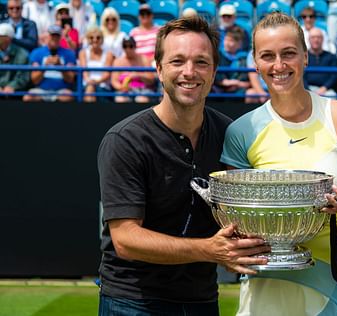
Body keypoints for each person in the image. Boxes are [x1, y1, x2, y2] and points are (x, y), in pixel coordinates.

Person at [97, 16, 269, 316]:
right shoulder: (125, 140)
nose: (189, 72)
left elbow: (244, 209)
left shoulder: (229, 134)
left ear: (214, 72)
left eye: (201, 62)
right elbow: (125, 239)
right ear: (159, 68)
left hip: (201, 301)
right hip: (133, 302)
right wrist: (209, 250)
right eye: (177, 61)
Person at [221, 12, 337, 316]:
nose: (279, 65)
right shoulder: (241, 131)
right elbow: (239, 223)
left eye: (289, 54)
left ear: (306, 57)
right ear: (256, 64)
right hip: (267, 284)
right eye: (267, 56)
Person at [23, 24, 76, 102]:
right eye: (52, 36)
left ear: (60, 37)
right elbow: (34, 80)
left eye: (57, 36)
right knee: (28, 97)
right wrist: (45, 66)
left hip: (61, 90)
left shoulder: (69, 54)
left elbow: (70, 79)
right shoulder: (37, 53)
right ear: (48, 36)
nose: (54, 38)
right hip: (41, 90)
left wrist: (60, 66)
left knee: (68, 97)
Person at [110, 36, 156, 103]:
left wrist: (138, 75)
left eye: (131, 46)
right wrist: (122, 87)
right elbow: (114, 81)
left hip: (143, 90)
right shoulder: (118, 61)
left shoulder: (144, 59)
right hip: (125, 91)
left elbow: (151, 79)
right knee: (120, 99)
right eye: (125, 46)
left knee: (141, 99)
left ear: (135, 46)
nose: (128, 49)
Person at [78, 26, 113, 102]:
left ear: (102, 40)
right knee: (90, 88)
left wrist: (96, 82)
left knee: (90, 88)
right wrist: (90, 82)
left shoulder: (108, 54)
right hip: (87, 85)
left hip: (103, 87)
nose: (95, 40)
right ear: (88, 39)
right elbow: (85, 72)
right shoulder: (83, 53)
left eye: (98, 38)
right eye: (91, 38)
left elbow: (106, 74)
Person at [213, 26, 250, 95]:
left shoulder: (244, 58)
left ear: (239, 44)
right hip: (220, 90)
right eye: (226, 40)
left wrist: (238, 84)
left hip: (239, 91)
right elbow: (216, 78)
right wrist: (230, 83)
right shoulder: (218, 55)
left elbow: (249, 82)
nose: (227, 43)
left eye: (231, 41)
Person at [304, 27, 337, 97]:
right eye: (313, 37)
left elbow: (334, 76)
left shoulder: (331, 56)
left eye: (318, 37)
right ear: (308, 39)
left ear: (323, 39)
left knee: (332, 96)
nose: (316, 40)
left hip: (327, 90)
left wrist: (324, 88)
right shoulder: (303, 57)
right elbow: (301, 76)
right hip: (307, 89)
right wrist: (308, 90)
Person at [0, 23, 30, 95]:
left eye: (1, 36)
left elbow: (24, 76)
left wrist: (12, 86)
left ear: (9, 38)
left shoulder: (22, 54)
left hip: (15, 94)